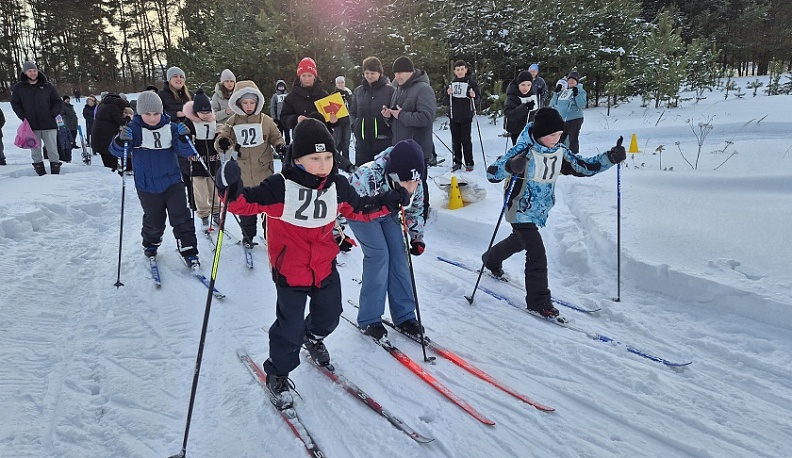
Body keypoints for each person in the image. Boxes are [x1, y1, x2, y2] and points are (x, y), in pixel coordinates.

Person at [214, 118, 411, 408]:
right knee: (288, 328)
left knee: (330, 317)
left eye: (328, 157)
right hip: (290, 271)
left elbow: (359, 209)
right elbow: (242, 204)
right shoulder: (280, 187)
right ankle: (278, 373)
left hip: (324, 266)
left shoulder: (337, 186)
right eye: (315, 158)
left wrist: (390, 200)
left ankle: (312, 337)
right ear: (297, 158)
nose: (323, 165)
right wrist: (228, 186)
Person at [483, 107, 626, 317]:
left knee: (520, 241)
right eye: (552, 135)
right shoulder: (524, 150)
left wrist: (610, 158)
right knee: (537, 252)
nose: (556, 139)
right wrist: (511, 166)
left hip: (539, 209)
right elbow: (492, 173)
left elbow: (583, 166)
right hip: (519, 208)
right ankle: (539, 301)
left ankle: (491, 259)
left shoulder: (559, 152)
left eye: (559, 135)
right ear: (540, 133)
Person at [109, 91, 201, 267]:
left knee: (181, 217)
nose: (152, 118)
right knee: (154, 220)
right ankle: (151, 243)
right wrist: (121, 141)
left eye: (156, 114)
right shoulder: (133, 129)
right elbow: (116, 152)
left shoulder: (171, 127)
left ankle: (189, 251)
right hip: (147, 185)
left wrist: (185, 138)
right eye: (147, 114)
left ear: (162, 112)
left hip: (173, 182)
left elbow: (188, 152)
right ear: (139, 114)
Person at [346, 139, 426, 340]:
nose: (410, 188)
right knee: (379, 255)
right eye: (406, 182)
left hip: (387, 213)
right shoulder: (366, 176)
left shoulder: (415, 183)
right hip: (362, 214)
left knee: (400, 256)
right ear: (393, 175)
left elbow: (415, 210)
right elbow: (344, 203)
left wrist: (416, 237)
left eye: (414, 182)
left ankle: (405, 315)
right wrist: (337, 233)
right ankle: (370, 318)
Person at [214, 80, 286, 248]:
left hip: (264, 173)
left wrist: (281, 146)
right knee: (247, 210)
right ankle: (248, 235)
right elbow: (224, 136)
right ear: (238, 103)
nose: (248, 106)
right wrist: (223, 142)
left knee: (268, 208)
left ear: (257, 102)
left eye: (252, 102)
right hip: (243, 175)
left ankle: (271, 234)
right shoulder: (233, 121)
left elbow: (276, 135)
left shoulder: (265, 120)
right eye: (245, 102)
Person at [382, 56, 436, 219]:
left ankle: (423, 212)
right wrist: (388, 116)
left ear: (411, 72)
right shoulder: (397, 88)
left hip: (418, 147)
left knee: (418, 182)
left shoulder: (423, 89)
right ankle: (403, 211)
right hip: (399, 147)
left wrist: (401, 115)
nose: (398, 76)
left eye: (402, 72)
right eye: (396, 73)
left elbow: (427, 117)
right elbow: (395, 117)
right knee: (401, 181)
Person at [280, 57, 354, 173]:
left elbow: (332, 120)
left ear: (315, 76)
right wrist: (295, 119)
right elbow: (284, 118)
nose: (307, 79)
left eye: (309, 75)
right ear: (299, 77)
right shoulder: (291, 97)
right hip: (301, 142)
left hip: (323, 142)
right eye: (304, 76)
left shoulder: (323, 95)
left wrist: (334, 121)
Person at [10, 61, 63, 175]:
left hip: (49, 124)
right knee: (35, 151)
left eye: (34, 71)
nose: (33, 73)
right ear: (25, 73)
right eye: (30, 71)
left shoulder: (48, 86)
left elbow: (57, 102)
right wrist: (24, 117)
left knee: (52, 149)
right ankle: (40, 172)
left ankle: (55, 172)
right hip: (31, 126)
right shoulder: (19, 88)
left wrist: (52, 113)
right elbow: (15, 104)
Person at [182, 88, 222, 232]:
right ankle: (204, 215)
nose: (205, 115)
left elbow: (221, 136)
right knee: (200, 192)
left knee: (214, 190)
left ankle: (216, 212)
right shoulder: (190, 122)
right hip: (197, 164)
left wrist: (221, 138)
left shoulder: (214, 121)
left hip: (213, 162)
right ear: (195, 111)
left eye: (207, 112)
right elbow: (184, 140)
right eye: (202, 112)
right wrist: (185, 137)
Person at [349, 56, 394, 167]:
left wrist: (388, 118)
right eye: (367, 73)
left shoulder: (390, 90)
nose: (369, 76)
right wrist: (355, 125)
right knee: (363, 176)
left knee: (383, 176)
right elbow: (353, 112)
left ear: (379, 73)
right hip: (362, 144)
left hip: (383, 142)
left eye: (373, 73)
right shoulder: (358, 91)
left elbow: (395, 113)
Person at [443, 60, 480, 172]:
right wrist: (447, 94)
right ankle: (457, 161)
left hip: (466, 116)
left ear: (466, 70)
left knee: (466, 140)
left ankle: (469, 162)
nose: (460, 72)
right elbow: (444, 101)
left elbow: (478, 99)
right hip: (454, 116)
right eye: (458, 70)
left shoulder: (471, 83)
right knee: (455, 140)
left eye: (462, 69)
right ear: (454, 71)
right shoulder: (451, 84)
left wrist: (473, 96)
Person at [92, 93, 133, 171]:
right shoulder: (113, 107)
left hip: (98, 134)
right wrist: (128, 118)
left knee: (106, 156)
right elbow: (120, 121)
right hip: (106, 136)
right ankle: (113, 171)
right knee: (110, 154)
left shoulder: (102, 105)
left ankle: (111, 169)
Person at [551, 70, 587, 154]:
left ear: (577, 82)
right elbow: (553, 104)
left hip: (575, 118)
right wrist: (556, 93)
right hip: (563, 119)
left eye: (573, 80)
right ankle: (563, 156)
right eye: (569, 79)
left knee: (572, 139)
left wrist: (577, 95)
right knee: (561, 139)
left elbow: (582, 105)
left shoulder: (580, 90)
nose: (571, 81)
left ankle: (574, 157)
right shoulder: (565, 91)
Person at [503, 71, 537, 146]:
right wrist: (525, 107)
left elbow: (536, 113)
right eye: (523, 85)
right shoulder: (512, 96)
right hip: (516, 130)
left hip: (531, 131)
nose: (526, 88)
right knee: (519, 153)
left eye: (529, 85)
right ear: (518, 84)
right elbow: (509, 114)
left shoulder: (532, 96)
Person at [331, 76, 353, 166]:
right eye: (339, 82)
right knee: (337, 141)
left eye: (342, 82)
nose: (340, 84)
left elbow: (353, 105)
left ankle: (346, 161)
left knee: (346, 141)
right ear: (336, 84)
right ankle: (336, 159)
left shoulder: (348, 93)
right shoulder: (333, 94)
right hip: (338, 121)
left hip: (347, 120)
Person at [270, 79, 290, 145]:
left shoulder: (288, 95)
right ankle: (281, 145)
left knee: (287, 133)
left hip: (287, 118)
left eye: (282, 87)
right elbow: (273, 107)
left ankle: (288, 144)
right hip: (279, 119)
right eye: (279, 87)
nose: (281, 88)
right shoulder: (275, 96)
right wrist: (274, 118)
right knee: (279, 133)